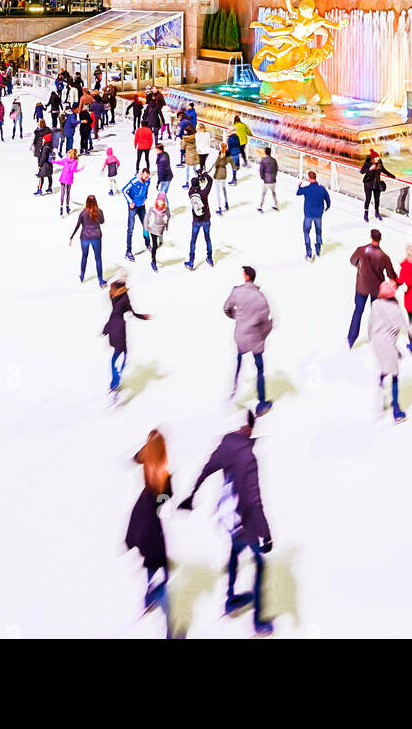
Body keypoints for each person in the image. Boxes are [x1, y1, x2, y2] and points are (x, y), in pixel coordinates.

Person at [178, 412, 273, 637]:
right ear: (250, 429)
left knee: (234, 551)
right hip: (243, 518)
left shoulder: (225, 444)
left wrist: (191, 495)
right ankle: (259, 622)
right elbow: (253, 497)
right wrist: (266, 533)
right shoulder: (248, 455)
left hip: (226, 515)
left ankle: (230, 598)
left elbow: (207, 468)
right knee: (260, 564)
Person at [126, 431, 172, 628]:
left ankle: (148, 595)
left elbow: (138, 457)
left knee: (151, 557)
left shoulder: (147, 459)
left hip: (141, 511)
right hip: (153, 517)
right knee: (158, 558)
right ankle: (160, 599)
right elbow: (164, 505)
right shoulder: (164, 474)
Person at [225, 267, 273, 415]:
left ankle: (233, 392)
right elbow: (265, 321)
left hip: (240, 335)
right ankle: (262, 402)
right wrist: (265, 332)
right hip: (255, 338)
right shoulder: (260, 298)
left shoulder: (237, 292)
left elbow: (226, 308)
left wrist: (238, 317)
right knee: (259, 369)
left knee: (239, 362)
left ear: (246, 277)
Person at [368, 278, 412, 422]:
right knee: (395, 375)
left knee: (385, 364)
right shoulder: (395, 310)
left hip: (377, 342)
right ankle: (396, 410)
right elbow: (407, 327)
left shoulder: (375, 304)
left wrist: (370, 337)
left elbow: (371, 323)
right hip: (388, 344)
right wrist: (411, 340)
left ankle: (381, 381)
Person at [347, 228, 396, 348]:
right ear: (380, 239)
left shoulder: (361, 250)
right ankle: (373, 337)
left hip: (362, 287)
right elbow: (392, 275)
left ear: (370, 237)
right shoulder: (384, 257)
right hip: (376, 289)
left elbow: (352, 261)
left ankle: (351, 339)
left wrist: (361, 268)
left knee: (358, 312)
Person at [103, 270, 149, 391]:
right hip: (119, 327)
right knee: (124, 353)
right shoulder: (124, 296)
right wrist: (144, 316)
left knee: (115, 354)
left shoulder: (112, 290)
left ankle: (114, 376)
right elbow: (132, 313)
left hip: (111, 324)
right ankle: (117, 378)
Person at [70, 194, 106, 288]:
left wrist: (71, 237)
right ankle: (100, 279)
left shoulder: (83, 213)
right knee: (98, 258)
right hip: (96, 237)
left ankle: (82, 275)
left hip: (85, 237)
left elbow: (77, 225)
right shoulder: (99, 211)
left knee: (84, 256)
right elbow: (102, 221)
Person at [184, 167, 214, 271]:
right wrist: (204, 174)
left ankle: (191, 262)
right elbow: (210, 181)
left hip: (196, 221)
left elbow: (195, 186)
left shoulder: (190, 193)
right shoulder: (204, 193)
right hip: (206, 219)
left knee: (193, 240)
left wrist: (199, 175)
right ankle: (209, 258)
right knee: (207, 238)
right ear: (199, 184)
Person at [296, 171, 331, 260]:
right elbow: (328, 200)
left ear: (309, 178)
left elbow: (298, 192)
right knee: (318, 232)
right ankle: (318, 249)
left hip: (308, 214)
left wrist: (299, 184)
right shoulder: (322, 189)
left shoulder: (307, 188)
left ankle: (309, 251)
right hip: (318, 215)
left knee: (306, 232)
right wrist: (327, 208)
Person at [122, 167, 151, 261]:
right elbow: (124, 190)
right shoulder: (134, 181)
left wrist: (146, 197)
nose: (147, 179)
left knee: (146, 226)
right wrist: (130, 202)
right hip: (133, 208)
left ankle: (148, 244)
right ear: (142, 174)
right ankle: (128, 251)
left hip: (142, 206)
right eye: (145, 177)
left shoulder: (148, 180)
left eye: (148, 177)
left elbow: (146, 189)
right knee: (130, 229)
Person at [360, 148, 390, 222]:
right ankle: (366, 214)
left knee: (377, 200)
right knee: (368, 199)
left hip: (377, 185)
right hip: (368, 184)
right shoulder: (367, 163)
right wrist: (370, 169)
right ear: (372, 158)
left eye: (378, 157)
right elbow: (362, 171)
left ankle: (377, 213)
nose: (377, 159)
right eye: (376, 158)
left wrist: (393, 176)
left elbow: (384, 170)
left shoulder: (379, 163)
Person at [144, 192, 170, 272]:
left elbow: (168, 217)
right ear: (156, 200)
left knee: (158, 243)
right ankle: (153, 261)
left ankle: (158, 245)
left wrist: (166, 226)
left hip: (160, 229)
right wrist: (145, 229)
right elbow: (146, 218)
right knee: (155, 245)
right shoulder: (152, 209)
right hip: (153, 229)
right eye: (159, 200)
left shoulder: (166, 209)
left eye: (162, 201)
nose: (160, 202)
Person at [55, 148, 82, 216]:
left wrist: (53, 161)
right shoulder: (75, 161)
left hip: (63, 178)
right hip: (69, 178)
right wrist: (80, 169)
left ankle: (61, 207)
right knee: (68, 193)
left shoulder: (66, 159)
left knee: (62, 193)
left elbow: (59, 162)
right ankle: (67, 207)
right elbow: (74, 170)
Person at [257, 147, 279, 212]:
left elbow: (261, 170)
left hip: (266, 180)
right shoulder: (274, 160)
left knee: (264, 193)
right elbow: (276, 169)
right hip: (273, 179)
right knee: (273, 192)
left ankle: (260, 206)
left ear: (265, 152)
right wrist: (274, 176)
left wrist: (263, 177)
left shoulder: (263, 160)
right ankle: (276, 205)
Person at [212, 142, 230, 214]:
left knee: (218, 191)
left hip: (218, 174)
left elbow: (216, 165)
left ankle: (219, 207)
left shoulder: (220, 156)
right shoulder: (228, 156)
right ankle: (226, 203)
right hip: (224, 173)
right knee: (223, 189)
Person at [181, 123, 198, 189]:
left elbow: (182, 147)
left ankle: (187, 183)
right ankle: (197, 180)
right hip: (194, 154)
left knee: (187, 170)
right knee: (194, 169)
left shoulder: (185, 139)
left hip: (188, 155)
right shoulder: (194, 137)